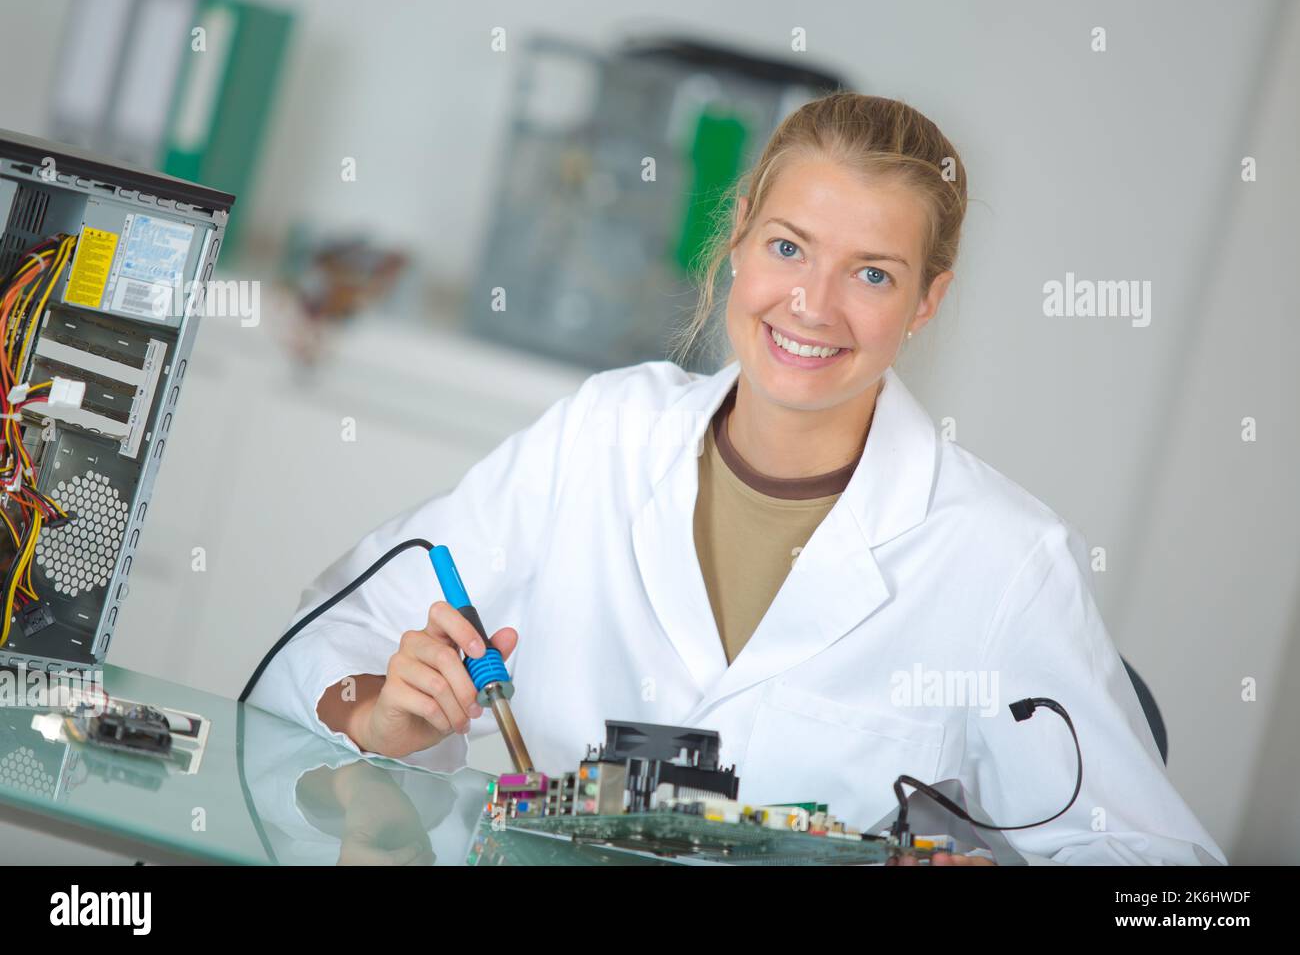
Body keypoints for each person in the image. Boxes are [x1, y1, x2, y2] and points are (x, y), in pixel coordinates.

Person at [247, 92, 1226, 865]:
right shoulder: (603, 434)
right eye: (790, 247)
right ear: (742, 232)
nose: (812, 304)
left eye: (873, 273)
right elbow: (316, 645)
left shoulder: (999, 558)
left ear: (928, 301)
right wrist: (380, 711)